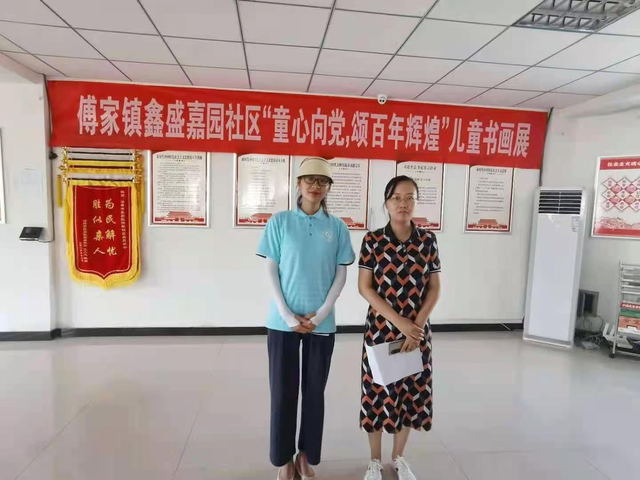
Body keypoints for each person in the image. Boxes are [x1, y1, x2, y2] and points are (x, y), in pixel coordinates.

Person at [257, 157, 355, 480]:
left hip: (321, 323)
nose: (315, 186)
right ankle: (283, 459)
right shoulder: (280, 222)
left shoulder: (337, 227)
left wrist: (322, 312)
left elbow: (341, 273)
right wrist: (287, 315)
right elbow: (271, 268)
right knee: (283, 391)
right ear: (298, 184)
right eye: (309, 179)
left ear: (328, 188)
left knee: (314, 393)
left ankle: (306, 456)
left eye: (322, 181)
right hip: (281, 323)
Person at [357, 175, 442, 480]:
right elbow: (365, 288)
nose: (403, 204)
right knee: (377, 393)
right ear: (386, 202)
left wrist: (416, 325)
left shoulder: (427, 240)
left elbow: (434, 288)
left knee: (409, 393)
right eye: (396, 198)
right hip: (381, 330)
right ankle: (374, 461)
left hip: (416, 333)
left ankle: (399, 458)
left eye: (409, 198)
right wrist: (399, 322)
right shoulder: (373, 240)